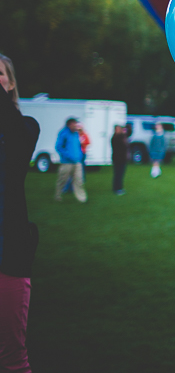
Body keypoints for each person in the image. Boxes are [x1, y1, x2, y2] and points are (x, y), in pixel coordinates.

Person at [0, 54, 40, 372]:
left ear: (11, 83)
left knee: (11, 355)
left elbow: (14, 135)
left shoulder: (26, 127)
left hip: (9, 253)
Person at [54, 118, 87, 202]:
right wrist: (68, 155)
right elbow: (59, 147)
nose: (76, 126)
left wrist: (80, 155)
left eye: (76, 124)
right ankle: (58, 195)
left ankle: (82, 198)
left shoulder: (76, 134)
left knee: (79, 180)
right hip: (67, 162)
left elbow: (79, 145)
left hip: (77, 162)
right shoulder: (63, 133)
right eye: (74, 124)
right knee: (62, 180)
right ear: (69, 124)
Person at [111, 125, 129, 195]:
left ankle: (118, 187)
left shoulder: (119, 137)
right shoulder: (116, 138)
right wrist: (124, 135)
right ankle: (117, 188)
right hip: (118, 159)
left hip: (121, 158)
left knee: (119, 174)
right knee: (118, 174)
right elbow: (123, 146)